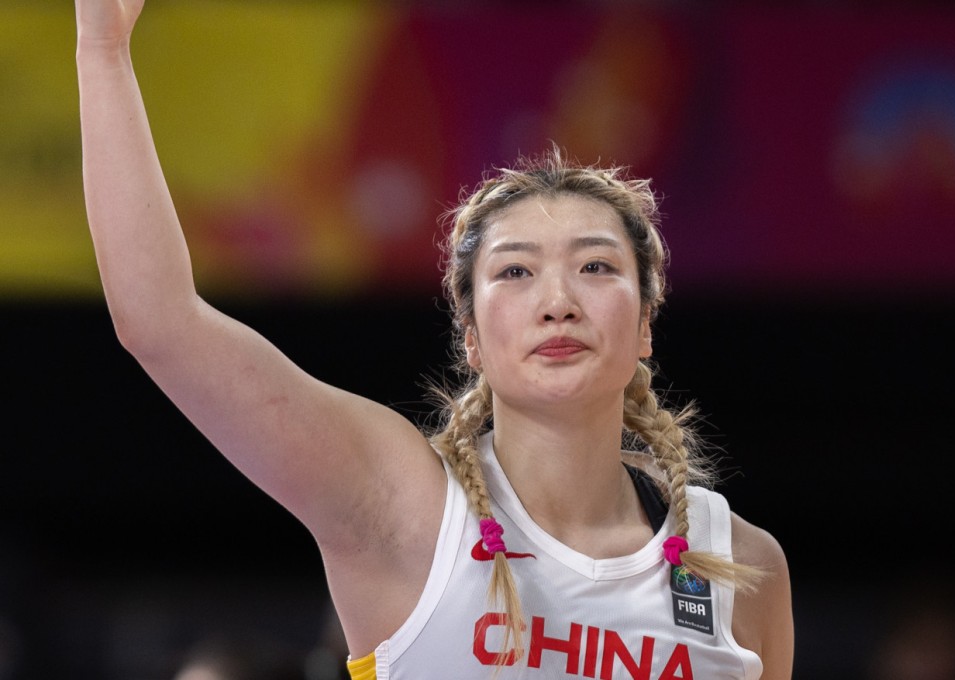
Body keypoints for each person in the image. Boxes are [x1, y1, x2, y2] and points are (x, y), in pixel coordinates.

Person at [74, 1, 795, 678]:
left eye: (596, 267)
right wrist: (102, 49)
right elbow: (160, 321)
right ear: (471, 337)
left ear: (644, 324)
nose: (558, 302)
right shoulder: (401, 506)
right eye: (516, 271)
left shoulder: (743, 567)